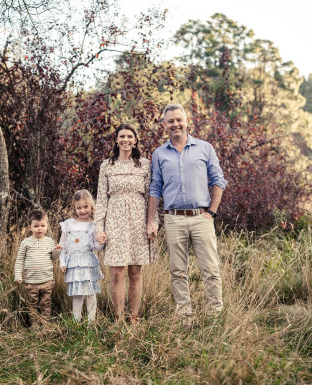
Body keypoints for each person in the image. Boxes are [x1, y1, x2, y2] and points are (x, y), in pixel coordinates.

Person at [146, 104, 227, 319]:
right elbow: (155, 188)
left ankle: (215, 316)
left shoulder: (204, 148)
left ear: (186, 121)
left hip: (201, 218)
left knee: (210, 270)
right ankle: (184, 317)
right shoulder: (159, 154)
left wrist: (212, 212)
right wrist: (151, 220)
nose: (176, 124)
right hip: (174, 219)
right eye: (170, 121)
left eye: (179, 120)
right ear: (164, 125)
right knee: (178, 272)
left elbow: (218, 180)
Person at [95, 123, 158, 322]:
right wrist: (99, 227)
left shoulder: (144, 165)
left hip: (138, 219)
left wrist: (152, 223)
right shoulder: (107, 165)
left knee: (135, 271)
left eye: (130, 136)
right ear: (116, 140)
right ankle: (119, 318)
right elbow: (101, 199)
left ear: (135, 140)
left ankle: (134, 317)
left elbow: (151, 196)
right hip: (115, 221)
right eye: (122, 136)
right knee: (117, 272)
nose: (126, 140)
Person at [59, 189, 105, 323]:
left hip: (89, 262)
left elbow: (97, 247)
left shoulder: (93, 225)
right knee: (77, 293)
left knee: (91, 293)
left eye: (86, 207)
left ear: (91, 206)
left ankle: (91, 322)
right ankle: (76, 321)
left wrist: (101, 242)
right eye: (79, 208)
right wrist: (62, 262)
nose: (82, 210)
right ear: (74, 207)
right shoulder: (68, 224)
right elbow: (62, 245)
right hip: (73, 263)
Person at [14, 209, 62, 324]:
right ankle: (34, 325)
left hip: (47, 280)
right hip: (31, 282)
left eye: (42, 225)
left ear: (46, 226)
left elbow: (53, 257)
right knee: (32, 304)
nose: (40, 228)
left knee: (46, 303)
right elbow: (19, 260)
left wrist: (57, 251)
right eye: (36, 226)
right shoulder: (26, 243)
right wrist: (18, 275)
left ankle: (45, 324)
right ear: (30, 227)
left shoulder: (50, 241)